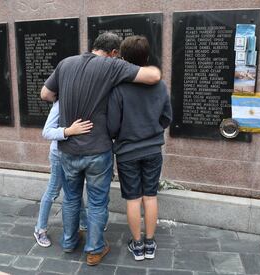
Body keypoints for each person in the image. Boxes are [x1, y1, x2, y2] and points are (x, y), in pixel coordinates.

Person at [40, 32, 161, 266]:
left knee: (71, 198)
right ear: (114, 53)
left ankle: (69, 241)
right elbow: (153, 75)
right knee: (96, 202)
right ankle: (94, 249)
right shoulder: (111, 65)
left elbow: (46, 94)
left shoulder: (66, 63)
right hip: (98, 150)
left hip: (68, 150)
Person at [107, 35, 172, 261]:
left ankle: (137, 245)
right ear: (147, 57)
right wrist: (152, 130)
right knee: (150, 196)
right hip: (153, 149)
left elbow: (112, 126)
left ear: (123, 59)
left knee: (133, 199)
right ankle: (150, 243)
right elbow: (167, 118)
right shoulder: (160, 85)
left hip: (127, 152)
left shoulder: (119, 88)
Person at [34, 100, 92, 247]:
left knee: (73, 190)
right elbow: (46, 132)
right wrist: (68, 131)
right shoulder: (61, 103)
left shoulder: (82, 99)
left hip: (76, 154)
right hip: (59, 155)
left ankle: (84, 222)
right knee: (53, 191)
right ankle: (40, 229)